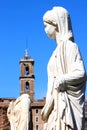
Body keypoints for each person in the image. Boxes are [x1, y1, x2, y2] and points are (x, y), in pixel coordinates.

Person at [41, 6, 86, 130]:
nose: (44, 30)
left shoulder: (71, 47)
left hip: (65, 107)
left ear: (55, 24)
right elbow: (50, 84)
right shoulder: (54, 53)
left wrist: (62, 79)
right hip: (54, 108)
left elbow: (81, 73)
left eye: (46, 26)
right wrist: (47, 106)